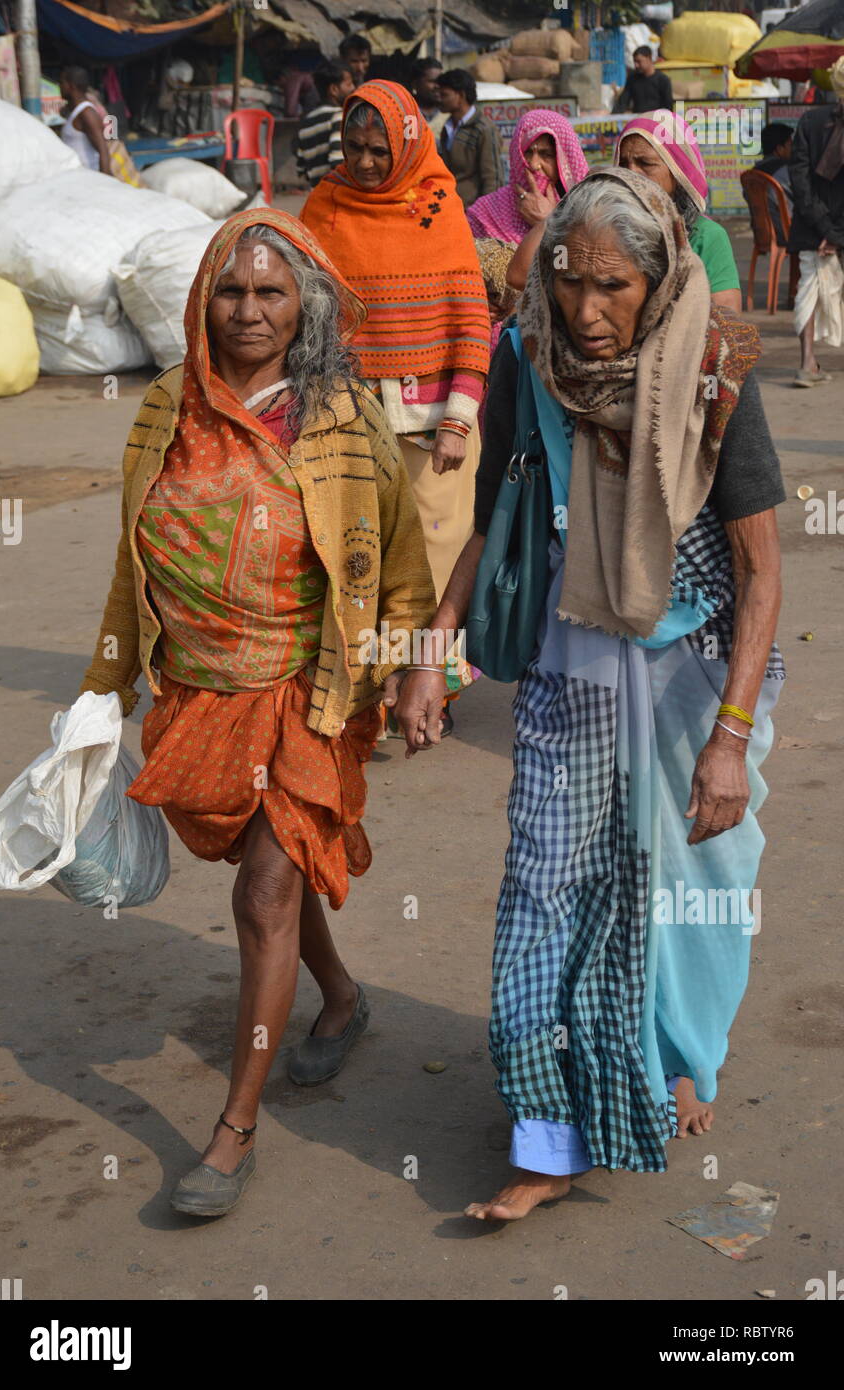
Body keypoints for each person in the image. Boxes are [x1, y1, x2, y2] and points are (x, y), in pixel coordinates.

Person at [392, 168, 785, 1222]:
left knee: (691, 881)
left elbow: (761, 573)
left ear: (658, 278)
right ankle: (550, 1134)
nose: (588, 311)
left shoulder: (717, 362)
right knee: (545, 897)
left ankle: (679, 1057)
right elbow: (493, 513)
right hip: (570, 671)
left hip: (693, 671)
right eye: (568, 284)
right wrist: (430, 651)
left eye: (614, 286)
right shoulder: (528, 353)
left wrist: (730, 740)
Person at [79, 208, 436, 1217]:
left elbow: (400, 559)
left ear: (304, 307)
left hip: (308, 690)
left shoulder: (341, 417)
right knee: (260, 867)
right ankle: (345, 998)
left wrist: (415, 669)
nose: (247, 311)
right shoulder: (163, 410)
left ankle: (235, 1127)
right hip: (195, 687)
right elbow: (130, 562)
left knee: (264, 894)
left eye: (270, 293)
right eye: (230, 292)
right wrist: (102, 688)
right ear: (203, 299)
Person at [302, 81, 490, 612]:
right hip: (346, 418)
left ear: (406, 145)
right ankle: (369, 678)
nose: (363, 162)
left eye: (378, 151)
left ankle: (430, 683)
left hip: (432, 429)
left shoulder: (437, 206)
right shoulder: (326, 205)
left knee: (435, 550)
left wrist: (457, 421)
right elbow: (305, 311)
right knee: (358, 551)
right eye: (353, 147)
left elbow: (471, 320)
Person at [615, 110, 742, 311]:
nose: (631, 174)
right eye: (623, 164)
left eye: (645, 163)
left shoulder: (706, 237)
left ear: (678, 173)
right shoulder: (608, 232)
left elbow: (727, 323)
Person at [467, 110, 589, 294]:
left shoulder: (586, 210)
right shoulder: (485, 211)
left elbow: (579, 276)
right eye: (527, 153)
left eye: (546, 154)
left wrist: (551, 222)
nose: (534, 164)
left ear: (564, 157)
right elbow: (466, 273)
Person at [788, 58, 844, 387]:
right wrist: (834, 232)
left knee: (807, 291)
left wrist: (828, 231)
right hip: (824, 229)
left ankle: (807, 363)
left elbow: (800, 182)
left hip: (814, 228)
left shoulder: (809, 121)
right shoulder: (813, 123)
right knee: (808, 290)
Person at [437, 68, 503, 207]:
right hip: (451, 205)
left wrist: (486, 213)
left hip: (472, 209)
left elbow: (492, 178)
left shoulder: (483, 129)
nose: (439, 99)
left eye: (444, 95)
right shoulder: (448, 128)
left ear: (461, 95)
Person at [295, 61, 355, 187]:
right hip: (335, 194)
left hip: (316, 195)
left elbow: (302, 168)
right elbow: (338, 164)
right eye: (349, 84)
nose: (353, 88)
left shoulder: (306, 122)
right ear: (334, 89)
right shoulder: (338, 116)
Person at [58, 66, 112, 175]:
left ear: (71, 86)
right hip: (78, 179)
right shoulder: (75, 111)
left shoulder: (87, 113)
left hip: (89, 178)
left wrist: (105, 185)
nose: (59, 86)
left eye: (62, 83)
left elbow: (103, 151)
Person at [752, 121, 794, 246]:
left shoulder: (752, 174)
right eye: (790, 145)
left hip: (761, 233)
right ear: (779, 149)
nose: (793, 150)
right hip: (785, 233)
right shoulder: (785, 171)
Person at [613, 44, 673, 114]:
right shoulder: (632, 79)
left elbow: (668, 106)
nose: (636, 65)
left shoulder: (663, 80)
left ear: (649, 58)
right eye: (634, 62)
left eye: (639, 61)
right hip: (638, 120)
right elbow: (623, 102)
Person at [410, 56, 446, 138]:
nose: (437, 86)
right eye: (432, 81)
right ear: (415, 84)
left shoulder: (448, 114)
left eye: (440, 81)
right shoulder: (406, 112)